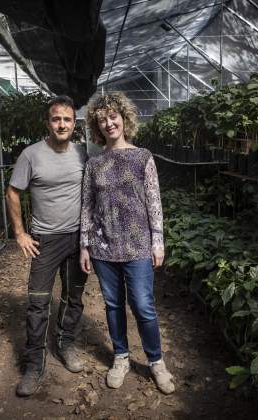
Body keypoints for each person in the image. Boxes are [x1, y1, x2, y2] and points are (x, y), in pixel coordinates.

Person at [79, 92, 175, 394]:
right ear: (97, 125)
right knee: (113, 305)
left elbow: (153, 201)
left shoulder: (143, 157)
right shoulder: (94, 163)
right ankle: (120, 356)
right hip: (103, 247)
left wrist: (158, 241)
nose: (109, 123)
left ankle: (156, 361)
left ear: (124, 117)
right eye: (102, 119)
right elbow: (87, 206)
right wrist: (84, 244)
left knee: (144, 306)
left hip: (138, 246)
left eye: (113, 116)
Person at [6, 95, 88, 397]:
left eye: (67, 119)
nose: (62, 124)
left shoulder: (83, 154)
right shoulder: (31, 155)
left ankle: (66, 344)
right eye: (56, 118)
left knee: (74, 297)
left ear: (74, 123)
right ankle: (34, 362)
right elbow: (13, 193)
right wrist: (20, 233)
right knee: (38, 302)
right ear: (48, 122)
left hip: (78, 238)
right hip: (45, 241)